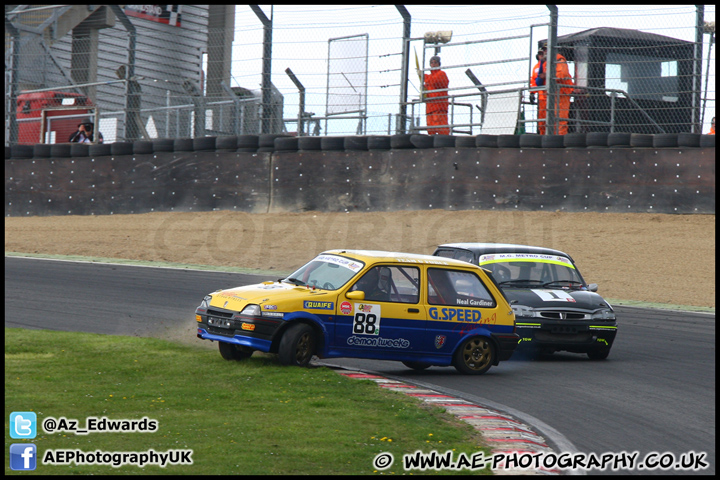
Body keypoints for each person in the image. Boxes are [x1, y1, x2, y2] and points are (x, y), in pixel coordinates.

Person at [530, 46, 574, 135]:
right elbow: (535, 79)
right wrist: (532, 92)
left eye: (546, 50)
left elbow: (562, 74)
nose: (544, 52)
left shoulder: (559, 60)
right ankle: (544, 140)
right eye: (543, 50)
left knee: (560, 119)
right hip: (546, 96)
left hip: (561, 94)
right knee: (543, 121)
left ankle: (559, 140)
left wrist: (547, 75)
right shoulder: (542, 64)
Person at [423, 55, 450, 135]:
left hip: (439, 105)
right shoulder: (429, 77)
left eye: (435, 62)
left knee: (440, 125)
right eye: (431, 63)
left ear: (439, 64)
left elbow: (436, 82)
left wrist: (424, 77)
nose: (433, 64)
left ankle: (444, 142)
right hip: (430, 106)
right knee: (430, 127)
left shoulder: (441, 74)